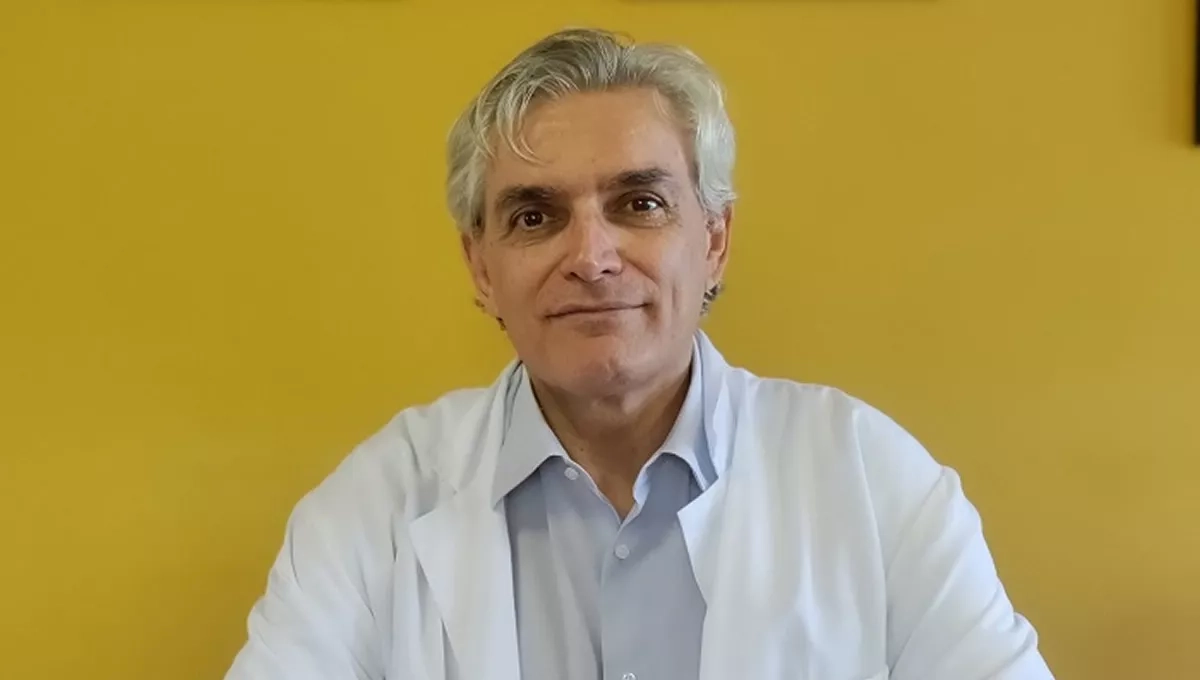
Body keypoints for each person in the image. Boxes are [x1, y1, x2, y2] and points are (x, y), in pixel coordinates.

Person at [224, 27, 1054, 680]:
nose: (592, 257)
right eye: (536, 217)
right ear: (481, 268)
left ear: (714, 240)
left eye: (640, 203)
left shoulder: (871, 480)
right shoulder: (373, 509)